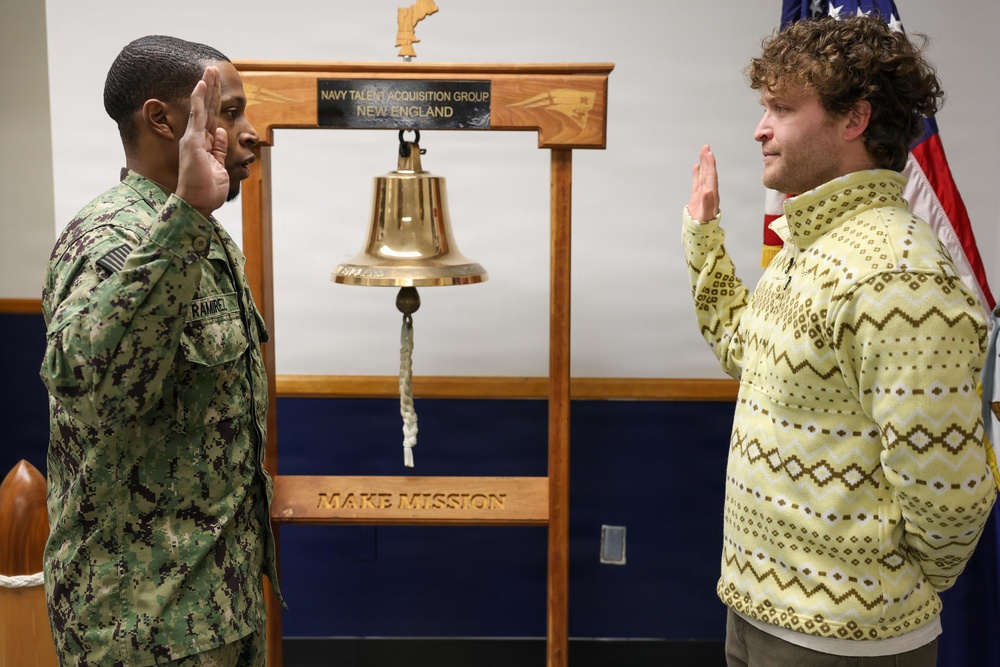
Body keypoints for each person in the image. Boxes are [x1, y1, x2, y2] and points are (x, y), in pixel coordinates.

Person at [682, 15, 997, 666]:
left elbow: (952, 495)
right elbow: (744, 352)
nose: (759, 127)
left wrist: (883, 589)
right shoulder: (810, 246)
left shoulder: (898, 277)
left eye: (782, 108)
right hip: (756, 613)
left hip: (845, 641)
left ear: (854, 120)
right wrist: (703, 238)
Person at [40, 35, 280, 666]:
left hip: (215, 606)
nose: (251, 133)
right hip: (139, 625)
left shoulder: (202, 235)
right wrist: (185, 219)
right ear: (162, 120)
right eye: (229, 113)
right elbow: (97, 384)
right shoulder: (110, 237)